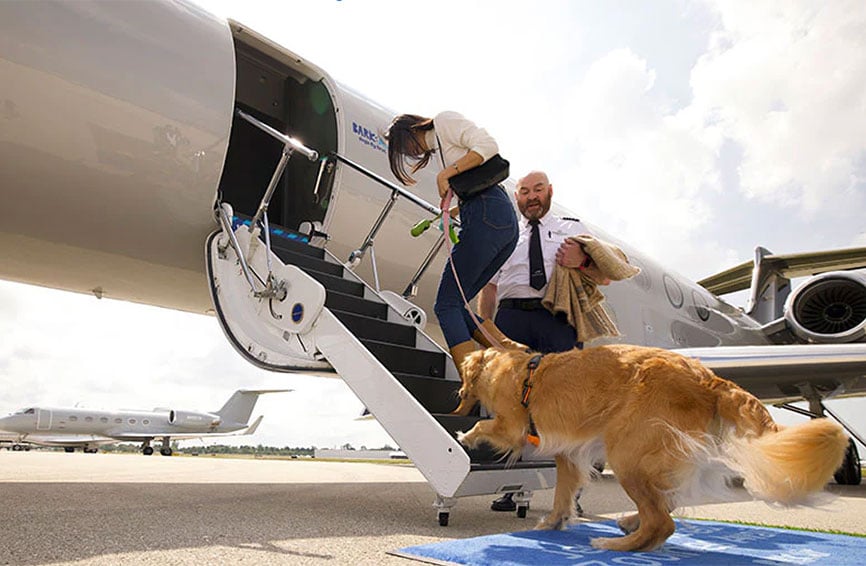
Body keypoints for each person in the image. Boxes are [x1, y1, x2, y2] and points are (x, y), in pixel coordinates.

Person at [478, 170, 594, 512]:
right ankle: (513, 486)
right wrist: (488, 333)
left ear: (550, 192)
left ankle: (572, 492)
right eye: (524, 191)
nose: (531, 196)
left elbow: (606, 270)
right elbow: (490, 287)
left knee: (568, 405)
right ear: (517, 199)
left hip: (557, 319)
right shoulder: (505, 235)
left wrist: (582, 260)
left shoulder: (572, 227)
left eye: (537, 190)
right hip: (511, 318)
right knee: (512, 405)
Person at [384, 112, 523, 378]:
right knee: (458, 305)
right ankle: (518, 355)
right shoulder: (440, 147)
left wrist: (446, 175)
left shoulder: (444, 121)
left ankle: (472, 384)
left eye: (404, 146)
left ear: (410, 130)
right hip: (499, 220)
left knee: (446, 305)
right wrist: (456, 209)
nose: (410, 153)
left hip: (487, 215)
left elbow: (488, 146)